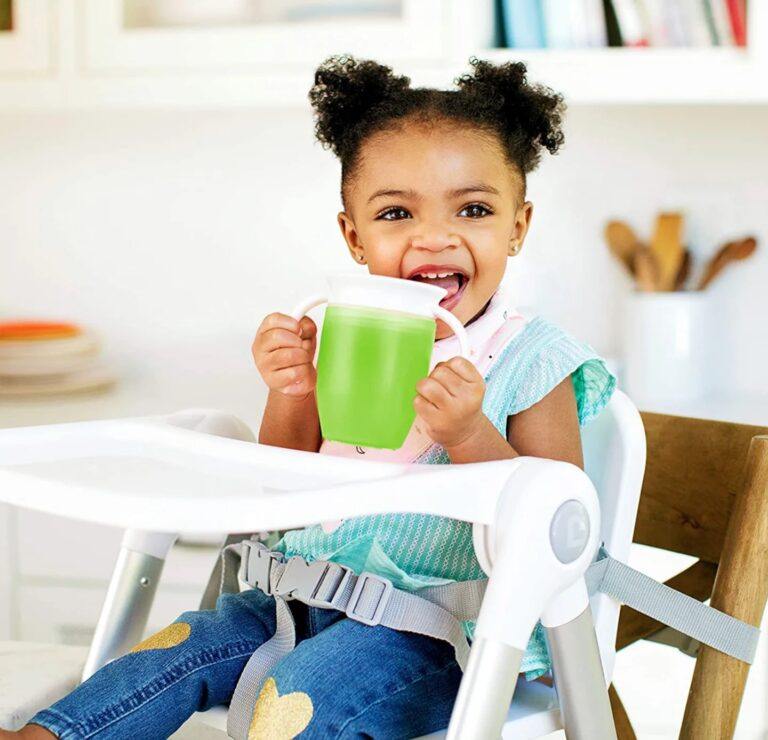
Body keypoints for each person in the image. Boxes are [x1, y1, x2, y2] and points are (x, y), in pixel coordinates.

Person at [4, 55, 614, 740]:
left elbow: (558, 526)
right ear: (354, 237)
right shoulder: (340, 338)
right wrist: (291, 388)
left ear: (517, 227)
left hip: (440, 637)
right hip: (291, 599)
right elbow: (281, 478)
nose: (436, 235)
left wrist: (470, 434)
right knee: (173, 651)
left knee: (294, 695)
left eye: (473, 209)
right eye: (395, 212)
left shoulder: (534, 358)